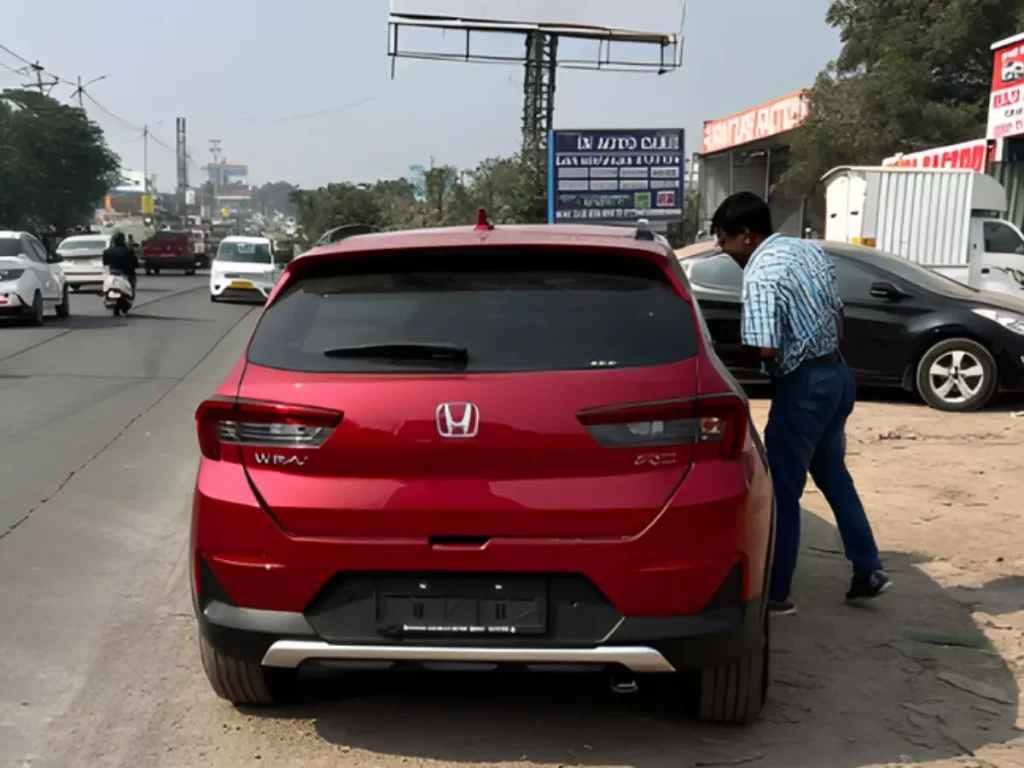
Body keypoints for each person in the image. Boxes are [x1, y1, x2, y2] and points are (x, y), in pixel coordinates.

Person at [711, 192, 890, 616]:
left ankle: (776, 593)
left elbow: (765, 350)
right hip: (836, 376)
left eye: (724, 240)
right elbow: (839, 316)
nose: (722, 249)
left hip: (803, 386)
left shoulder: (761, 271)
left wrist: (714, 352)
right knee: (833, 475)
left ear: (748, 236)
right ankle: (869, 570)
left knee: (783, 491)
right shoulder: (809, 250)